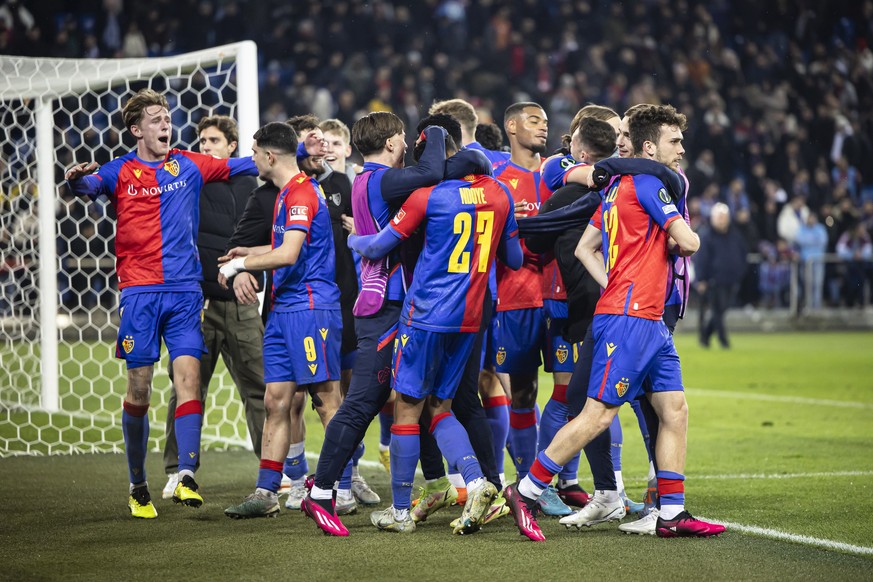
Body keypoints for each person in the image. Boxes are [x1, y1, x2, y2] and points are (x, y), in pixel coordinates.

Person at [505, 104, 725, 541]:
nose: (681, 149)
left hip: (638, 314)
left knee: (674, 410)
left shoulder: (616, 188)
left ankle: (672, 513)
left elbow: (588, 247)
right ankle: (527, 491)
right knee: (597, 415)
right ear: (650, 146)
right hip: (630, 318)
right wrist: (677, 242)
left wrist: (616, 282)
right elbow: (690, 241)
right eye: (674, 141)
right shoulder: (647, 183)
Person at [64, 88, 258, 519]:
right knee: (140, 388)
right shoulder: (119, 171)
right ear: (136, 129)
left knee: (188, 378)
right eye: (155, 119)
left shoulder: (188, 163)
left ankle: (185, 474)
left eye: (167, 117)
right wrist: (74, 178)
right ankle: (137, 485)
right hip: (140, 292)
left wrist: (298, 149)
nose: (165, 124)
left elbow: (245, 164)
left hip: (186, 291)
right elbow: (87, 186)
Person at [302, 111, 490, 537]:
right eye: (403, 137)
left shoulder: (369, 182)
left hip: (395, 307)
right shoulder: (383, 180)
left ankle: (436, 486)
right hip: (385, 309)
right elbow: (437, 169)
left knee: (415, 401)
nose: (407, 144)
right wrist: (443, 133)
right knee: (363, 403)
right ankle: (322, 493)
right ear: (390, 143)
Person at [348, 130, 523, 534]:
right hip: (469, 319)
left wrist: (353, 237)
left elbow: (377, 248)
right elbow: (513, 258)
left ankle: (399, 512)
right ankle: (478, 482)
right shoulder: (500, 195)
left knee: (407, 408)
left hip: (425, 315)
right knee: (441, 407)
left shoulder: (428, 196)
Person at [219, 121, 344, 520]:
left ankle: (337, 487)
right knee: (275, 400)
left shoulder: (302, 192)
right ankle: (266, 491)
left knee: (326, 399)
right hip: (284, 308)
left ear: (269, 156)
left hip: (309, 307)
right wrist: (251, 247)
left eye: (255, 152)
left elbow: (289, 254)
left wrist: (241, 263)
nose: (252, 158)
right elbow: (289, 241)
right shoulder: (289, 194)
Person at [161, 115, 266, 500]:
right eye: (202, 141)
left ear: (231, 147)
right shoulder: (188, 180)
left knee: (260, 390)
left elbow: (261, 239)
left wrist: (246, 272)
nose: (205, 147)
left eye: (213, 141)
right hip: (198, 304)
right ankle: (177, 470)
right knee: (186, 389)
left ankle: (274, 473)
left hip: (242, 305)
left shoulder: (253, 184)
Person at [695, 203, 748, 349]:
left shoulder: (735, 235)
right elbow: (701, 259)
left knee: (722, 309)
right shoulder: (707, 236)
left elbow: (743, 254)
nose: (721, 220)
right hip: (714, 280)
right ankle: (723, 341)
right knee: (718, 311)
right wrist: (701, 279)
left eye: (724, 217)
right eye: (719, 217)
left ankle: (705, 336)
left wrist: (740, 272)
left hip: (731, 279)